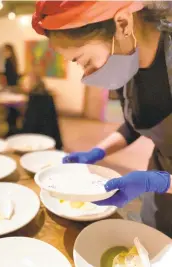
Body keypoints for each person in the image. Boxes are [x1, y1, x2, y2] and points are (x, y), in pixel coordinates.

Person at [32, 1, 172, 236]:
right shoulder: (129, 63)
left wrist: (157, 182)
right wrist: (97, 152)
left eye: (85, 61)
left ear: (123, 23)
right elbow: (135, 124)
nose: (87, 74)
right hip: (161, 190)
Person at [21, 70, 63, 150]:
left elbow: (29, 126)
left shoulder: (34, 99)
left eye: (25, 83)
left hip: (36, 141)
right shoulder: (47, 96)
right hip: (50, 137)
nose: (23, 86)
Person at [3, 44, 20, 136]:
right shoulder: (14, 60)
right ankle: (14, 128)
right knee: (13, 108)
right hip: (15, 87)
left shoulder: (8, 61)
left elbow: (8, 75)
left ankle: (11, 129)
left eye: (5, 50)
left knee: (10, 109)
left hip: (11, 87)